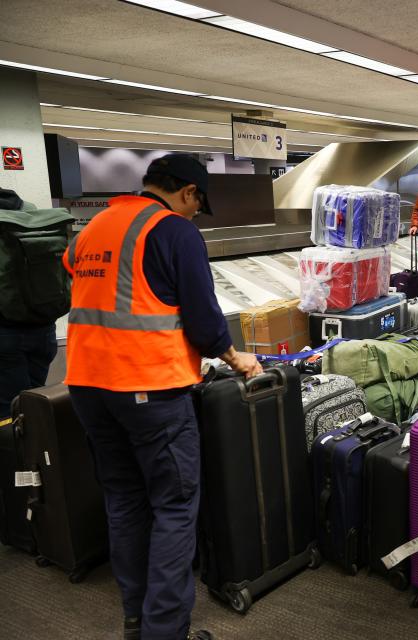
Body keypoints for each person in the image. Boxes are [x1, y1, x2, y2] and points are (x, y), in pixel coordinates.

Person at [63, 154, 262, 640]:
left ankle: (136, 621)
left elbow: (82, 281)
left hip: (87, 385)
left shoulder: (92, 228)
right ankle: (166, 632)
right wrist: (237, 359)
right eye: (198, 204)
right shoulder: (174, 230)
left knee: (125, 501)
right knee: (174, 507)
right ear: (188, 192)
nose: (195, 213)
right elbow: (203, 317)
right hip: (149, 387)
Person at [0, 189, 65, 418]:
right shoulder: (31, 214)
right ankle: (41, 453)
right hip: (44, 330)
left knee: (9, 412)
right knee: (35, 404)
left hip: (6, 335)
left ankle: (19, 454)